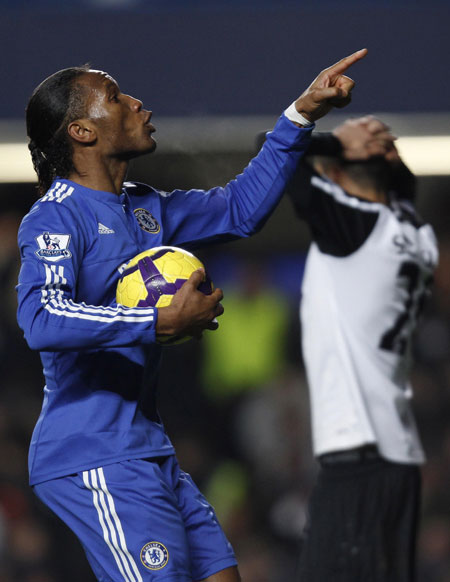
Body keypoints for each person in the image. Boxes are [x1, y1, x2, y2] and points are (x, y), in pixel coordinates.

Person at [16, 49, 367, 582]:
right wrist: (156, 324)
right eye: (116, 97)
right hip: (90, 453)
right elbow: (41, 317)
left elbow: (239, 209)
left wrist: (299, 116)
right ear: (82, 132)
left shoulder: (145, 208)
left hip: (147, 448)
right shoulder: (55, 217)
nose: (138, 103)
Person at [285, 116, 438, 581]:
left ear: (333, 173)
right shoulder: (417, 233)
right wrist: (367, 151)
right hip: (400, 460)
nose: (365, 130)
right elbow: (397, 189)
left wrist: (334, 140)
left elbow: (277, 156)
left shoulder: (355, 227)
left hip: (361, 454)